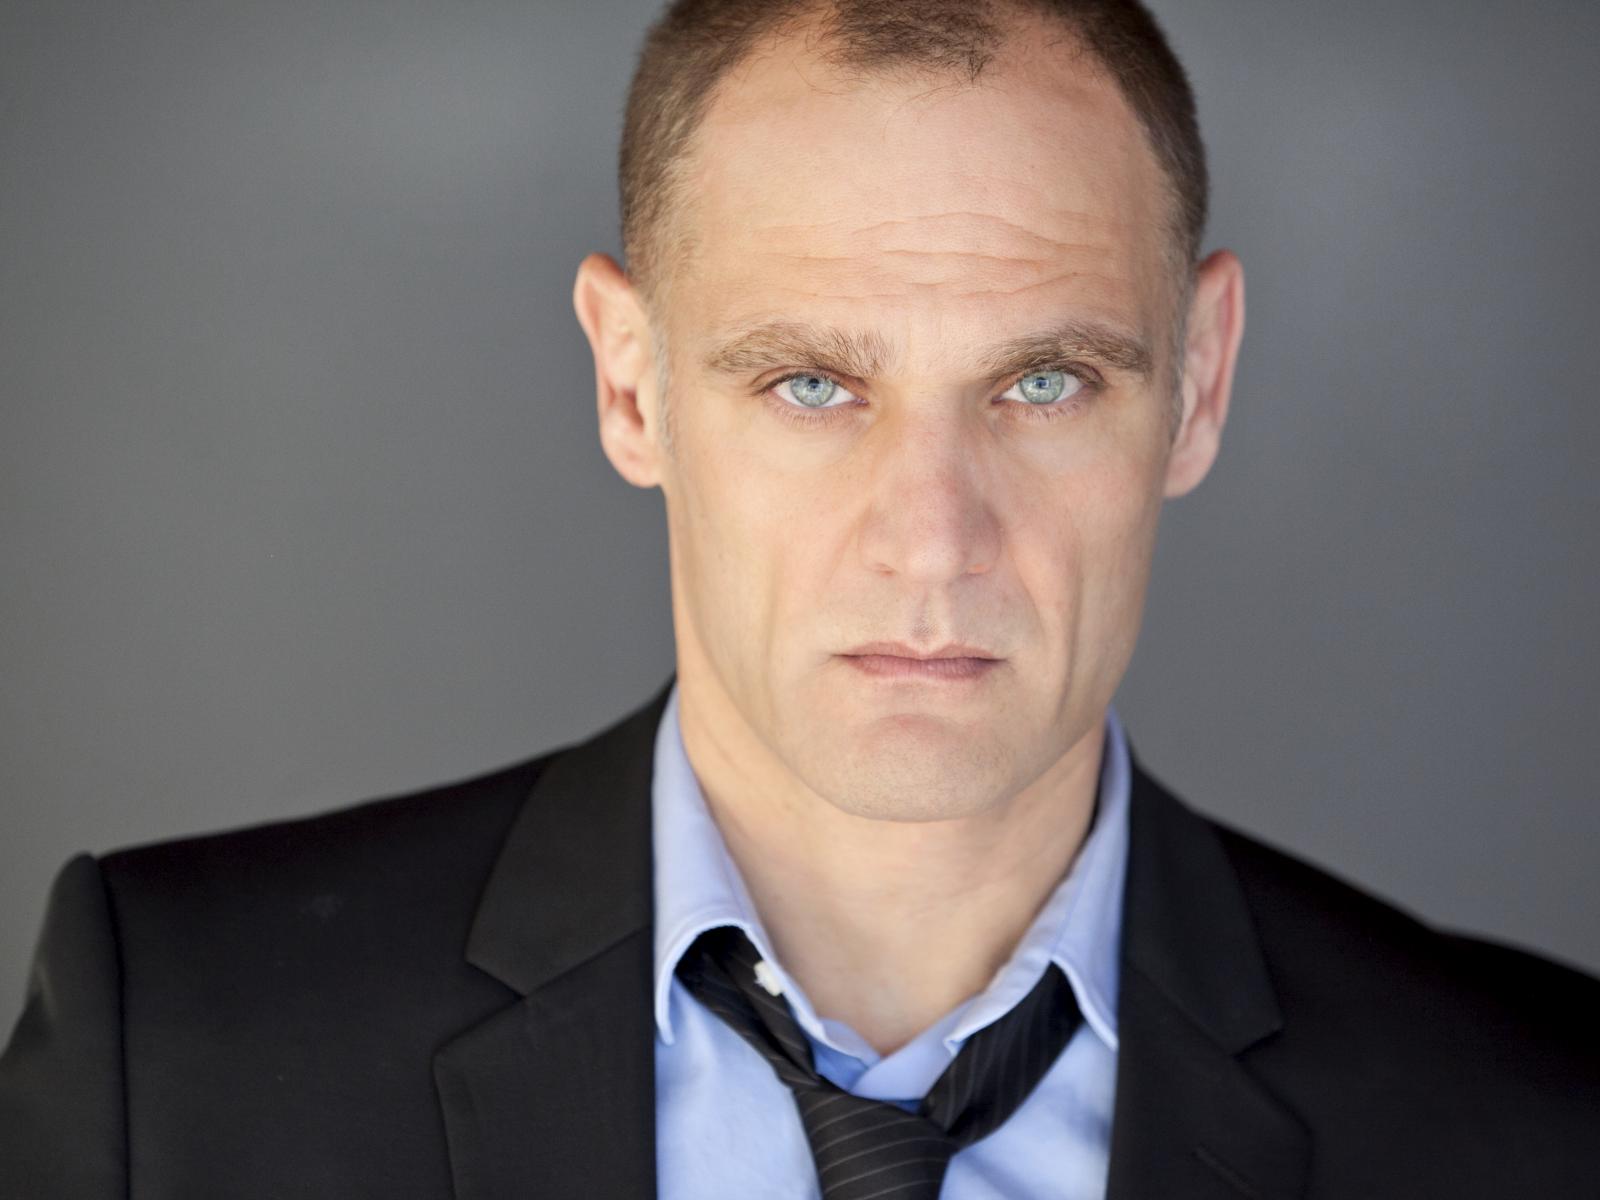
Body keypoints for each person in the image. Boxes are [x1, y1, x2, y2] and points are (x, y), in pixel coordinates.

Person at [2, 0, 1596, 1196]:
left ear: (1200, 383)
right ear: (630, 386)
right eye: (811, 384)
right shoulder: (181, 1053)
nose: (932, 541)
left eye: (1044, 381)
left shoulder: (1536, 1121)